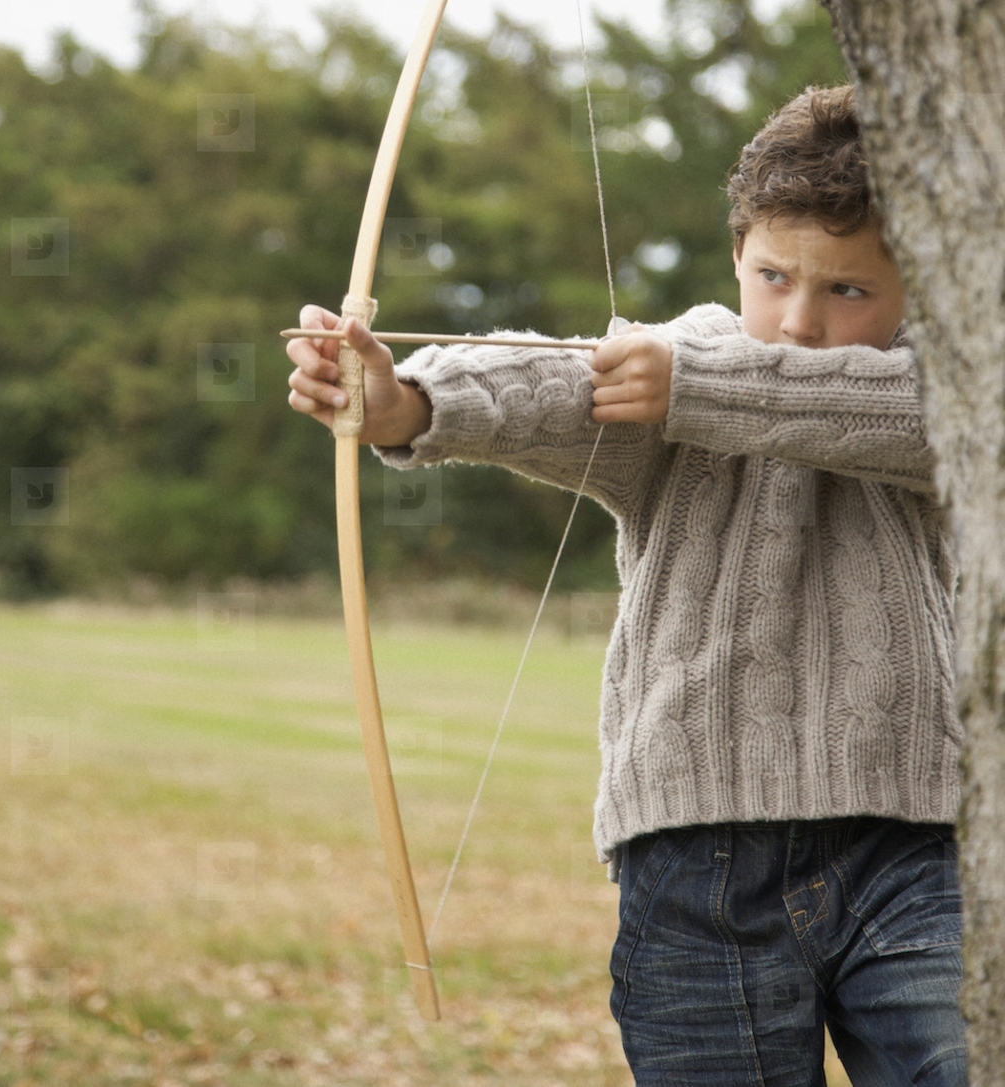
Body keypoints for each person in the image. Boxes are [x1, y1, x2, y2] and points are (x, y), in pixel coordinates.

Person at [286, 84, 965, 1087]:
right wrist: (404, 399)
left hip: (910, 846)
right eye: (772, 276)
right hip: (692, 868)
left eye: (847, 291)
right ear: (736, 254)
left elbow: (937, 420)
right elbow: (552, 387)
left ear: (919, 289)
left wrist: (696, 390)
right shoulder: (677, 358)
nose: (796, 322)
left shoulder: (942, 388)